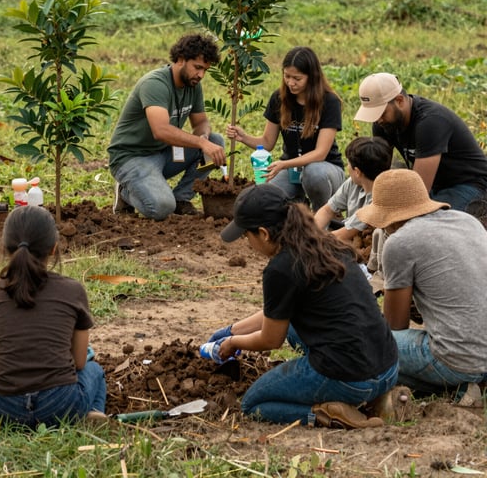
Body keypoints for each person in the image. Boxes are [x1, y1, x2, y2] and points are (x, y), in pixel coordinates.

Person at [205, 183, 399, 429]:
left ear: (263, 233)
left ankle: (327, 415)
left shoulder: (280, 269)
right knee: (295, 329)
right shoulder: (325, 244)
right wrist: (232, 329)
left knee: (253, 405)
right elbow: (277, 312)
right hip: (388, 366)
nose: (247, 242)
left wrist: (233, 343)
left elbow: (271, 339)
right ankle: (378, 398)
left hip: (352, 378)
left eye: (247, 235)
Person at [0, 205, 107, 428]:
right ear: (53, 248)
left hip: (2, 409)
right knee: (95, 370)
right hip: (61, 405)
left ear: (5, 247)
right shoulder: (73, 291)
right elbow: (80, 362)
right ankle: (89, 414)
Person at [356, 169, 487, 398]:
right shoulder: (467, 221)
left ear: (389, 218)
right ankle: (469, 383)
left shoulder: (399, 243)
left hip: (459, 358)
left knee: (361, 349)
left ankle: (458, 383)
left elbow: (395, 326)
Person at [107, 33, 226, 220]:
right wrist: (201, 144)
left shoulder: (193, 85)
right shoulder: (155, 84)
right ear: (180, 60)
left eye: (205, 70)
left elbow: (201, 122)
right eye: (197, 67)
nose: (201, 75)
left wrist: (203, 138)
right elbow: (160, 130)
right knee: (161, 208)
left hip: (163, 153)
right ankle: (126, 191)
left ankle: (182, 199)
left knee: (215, 141)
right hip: (131, 157)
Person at [227, 46, 345, 210]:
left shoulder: (329, 102)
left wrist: (284, 164)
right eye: (287, 76)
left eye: (297, 78)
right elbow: (267, 142)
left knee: (313, 173)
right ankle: (298, 205)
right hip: (292, 171)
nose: (290, 82)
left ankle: (323, 217)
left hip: (326, 169)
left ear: (312, 77)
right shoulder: (279, 98)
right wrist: (243, 137)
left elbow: (321, 153)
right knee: (265, 199)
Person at [354, 72, 487, 210]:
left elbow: (417, 192)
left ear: (399, 100)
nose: (378, 120)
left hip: (468, 184)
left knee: (430, 221)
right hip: (434, 186)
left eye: (381, 113)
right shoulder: (383, 123)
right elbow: (379, 171)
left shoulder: (430, 122)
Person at [313, 136, 393, 242]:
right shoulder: (354, 182)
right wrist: (312, 230)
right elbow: (327, 210)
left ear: (357, 171)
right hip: (348, 232)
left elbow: (344, 234)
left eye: (348, 164)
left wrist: (311, 239)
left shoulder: (379, 200)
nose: (347, 167)